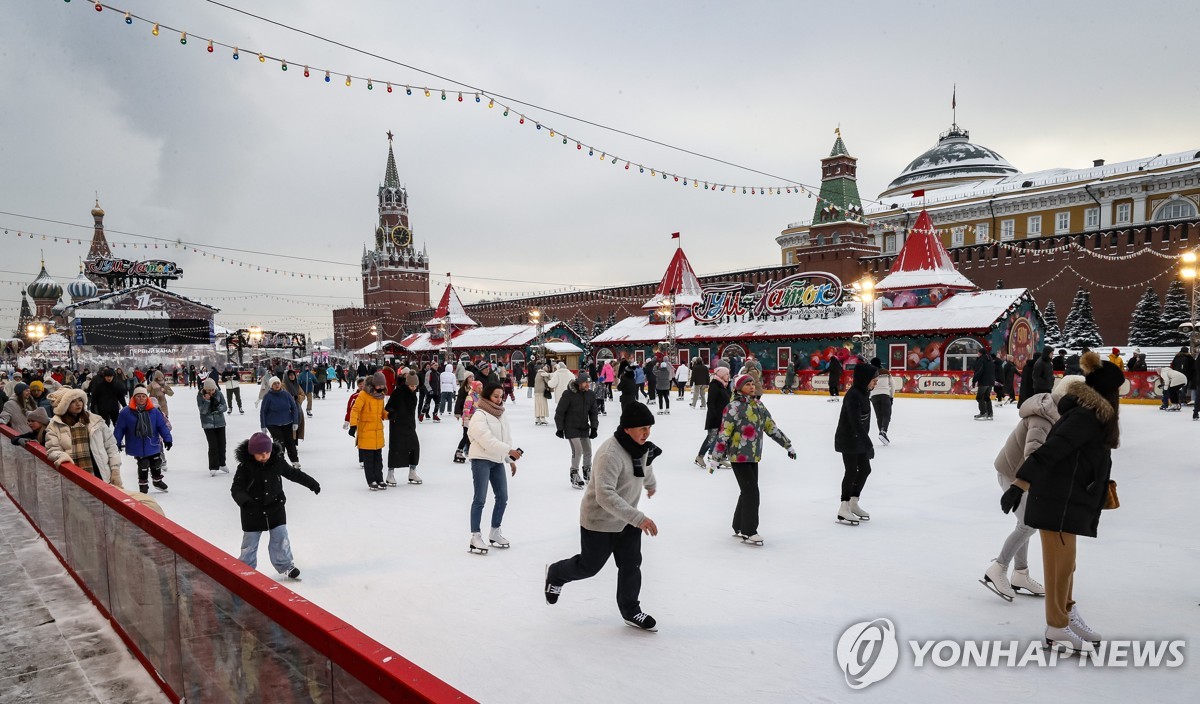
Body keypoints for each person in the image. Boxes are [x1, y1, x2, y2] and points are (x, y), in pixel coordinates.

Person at [1003, 352, 1125, 653]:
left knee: (1067, 564)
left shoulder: (1093, 414)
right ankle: (1056, 627)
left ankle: (1066, 614)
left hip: (1068, 496)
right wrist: (1020, 483)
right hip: (1057, 498)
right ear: (1108, 391)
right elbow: (1051, 450)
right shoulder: (1086, 416)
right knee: (1059, 566)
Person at [544, 401, 660, 631]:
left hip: (626, 520)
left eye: (649, 427)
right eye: (642, 428)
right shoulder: (610, 454)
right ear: (627, 428)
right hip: (599, 521)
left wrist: (650, 484)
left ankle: (631, 610)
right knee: (589, 567)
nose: (647, 432)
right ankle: (556, 573)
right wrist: (639, 518)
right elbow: (604, 496)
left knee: (631, 564)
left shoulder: (640, 446)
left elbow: (644, 467)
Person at [982, 377, 1075, 601]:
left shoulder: (1056, 414)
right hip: (1013, 474)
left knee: (1025, 523)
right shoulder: (1043, 418)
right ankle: (998, 568)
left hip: (1021, 475)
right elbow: (1033, 454)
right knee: (1029, 524)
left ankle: (1020, 575)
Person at [710, 374, 796, 545]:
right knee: (752, 493)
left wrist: (787, 445)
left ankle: (739, 526)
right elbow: (724, 433)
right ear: (739, 387)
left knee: (747, 491)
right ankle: (749, 531)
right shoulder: (733, 407)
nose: (751, 386)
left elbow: (771, 428)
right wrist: (716, 457)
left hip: (753, 456)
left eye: (753, 383)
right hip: (738, 456)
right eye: (747, 384)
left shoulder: (759, 406)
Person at [231, 432, 320, 581]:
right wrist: (246, 502)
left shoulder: (277, 462)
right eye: (260, 454)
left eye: (267, 452)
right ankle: (245, 568)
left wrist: (312, 483)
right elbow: (236, 489)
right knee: (250, 543)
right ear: (252, 453)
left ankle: (285, 566)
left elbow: (293, 474)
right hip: (252, 511)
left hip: (275, 508)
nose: (264, 456)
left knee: (281, 538)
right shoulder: (245, 467)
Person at [466, 383, 523, 554]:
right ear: (487, 396)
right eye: (495, 396)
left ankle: (495, 531)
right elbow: (486, 439)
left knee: (502, 497)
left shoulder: (500, 415)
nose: (499, 400)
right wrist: (507, 450)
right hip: (481, 459)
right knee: (480, 499)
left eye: (501, 396)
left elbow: (506, 438)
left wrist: (509, 459)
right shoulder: (479, 415)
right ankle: (475, 536)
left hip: (497, 460)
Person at [43, 388, 124, 489]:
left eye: (80, 400)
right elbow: (52, 449)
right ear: (64, 405)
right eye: (73, 401)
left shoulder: (96, 420)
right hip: (75, 478)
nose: (78, 404)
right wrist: (61, 456)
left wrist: (115, 470)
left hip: (101, 475)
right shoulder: (55, 425)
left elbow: (111, 447)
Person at [835, 361, 879, 525]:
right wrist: (868, 444)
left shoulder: (863, 393)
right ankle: (844, 506)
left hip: (858, 438)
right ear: (864, 379)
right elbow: (855, 423)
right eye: (873, 380)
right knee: (852, 470)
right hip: (848, 439)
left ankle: (853, 502)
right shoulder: (853, 396)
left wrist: (865, 442)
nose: (875, 383)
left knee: (865, 469)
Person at [113, 386, 172, 494]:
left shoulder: (154, 411)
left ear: (147, 398)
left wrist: (168, 439)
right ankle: (143, 484)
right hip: (136, 444)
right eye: (138, 396)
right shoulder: (126, 412)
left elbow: (162, 426)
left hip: (152, 442)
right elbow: (119, 428)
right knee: (143, 464)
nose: (141, 398)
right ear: (134, 398)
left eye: (143, 396)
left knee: (156, 461)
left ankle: (157, 480)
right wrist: (116, 442)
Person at [556, 372, 599, 489]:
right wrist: (560, 428)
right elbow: (560, 412)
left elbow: (594, 413)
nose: (588, 385)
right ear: (579, 383)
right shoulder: (568, 394)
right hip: (570, 427)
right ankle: (574, 473)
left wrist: (594, 427)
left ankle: (587, 471)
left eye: (589, 382)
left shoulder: (590, 395)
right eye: (586, 382)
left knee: (588, 450)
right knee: (578, 450)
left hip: (584, 427)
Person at [351, 372, 390, 490]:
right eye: (379, 386)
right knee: (369, 460)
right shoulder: (363, 395)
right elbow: (355, 410)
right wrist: (353, 425)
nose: (381, 388)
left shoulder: (381, 396)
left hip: (378, 432)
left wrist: (389, 415)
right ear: (373, 385)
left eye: (382, 386)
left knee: (378, 460)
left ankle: (379, 479)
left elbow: (381, 412)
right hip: (366, 431)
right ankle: (371, 480)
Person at [384, 371, 423, 486]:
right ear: (407, 384)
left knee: (414, 447)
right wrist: (392, 414)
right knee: (396, 449)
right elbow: (389, 406)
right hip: (398, 425)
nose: (413, 388)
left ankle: (412, 472)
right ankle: (390, 474)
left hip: (410, 425)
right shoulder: (398, 392)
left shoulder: (413, 394)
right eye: (411, 386)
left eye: (415, 386)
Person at [259, 376, 302, 468]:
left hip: (287, 422)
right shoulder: (268, 397)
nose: (277, 385)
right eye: (274, 384)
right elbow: (263, 411)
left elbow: (294, 408)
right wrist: (263, 425)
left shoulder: (286, 394)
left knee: (290, 442)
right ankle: (280, 462)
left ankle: (295, 461)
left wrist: (295, 422)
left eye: (278, 383)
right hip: (273, 424)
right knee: (279, 443)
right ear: (271, 386)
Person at [694, 366, 731, 468]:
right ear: (722, 375)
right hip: (715, 417)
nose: (728, 376)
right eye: (727, 374)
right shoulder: (715, 385)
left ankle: (720, 458)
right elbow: (711, 402)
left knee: (722, 438)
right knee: (711, 438)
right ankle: (700, 457)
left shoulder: (723, 385)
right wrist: (714, 416)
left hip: (723, 417)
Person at [198, 378, 230, 476]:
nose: (211, 392)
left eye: (213, 389)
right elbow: (202, 411)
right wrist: (207, 401)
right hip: (208, 424)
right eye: (209, 390)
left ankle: (222, 463)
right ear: (205, 389)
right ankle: (213, 466)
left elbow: (225, 406)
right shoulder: (200, 396)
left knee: (222, 443)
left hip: (220, 423)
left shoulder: (219, 394)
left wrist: (218, 407)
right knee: (213, 445)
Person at [869, 358, 895, 445]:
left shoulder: (870, 373)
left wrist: (870, 396)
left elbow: (867, 385)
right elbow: (893, 385)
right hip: (885, 395)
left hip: (874, 396)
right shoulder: (886, 372)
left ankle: (881, 432)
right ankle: (883, 431)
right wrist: (891, 397)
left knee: (879, 416)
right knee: (886, 414)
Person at [455, 379, 482, 463]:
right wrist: (469, 416)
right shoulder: (470, 396)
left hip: (474, 420)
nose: (481, 390)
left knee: (472, 437)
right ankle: (458, 452)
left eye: (481, 388)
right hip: (468, 420)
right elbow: (466, 409)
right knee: (466, 436)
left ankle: (471, 453)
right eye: (479, 388)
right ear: (474, 388)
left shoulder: (478, 396)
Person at [972, 347, 996, 421]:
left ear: (981, 353)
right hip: (990, 382)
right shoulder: (990, 360)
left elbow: (979, 371)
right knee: (986, 397)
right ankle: (990, 413)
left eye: (978, 352)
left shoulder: (981, 360)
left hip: (984, 381)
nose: (977, 354)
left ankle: (983, 413)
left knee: (980, 397)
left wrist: (974, 380)